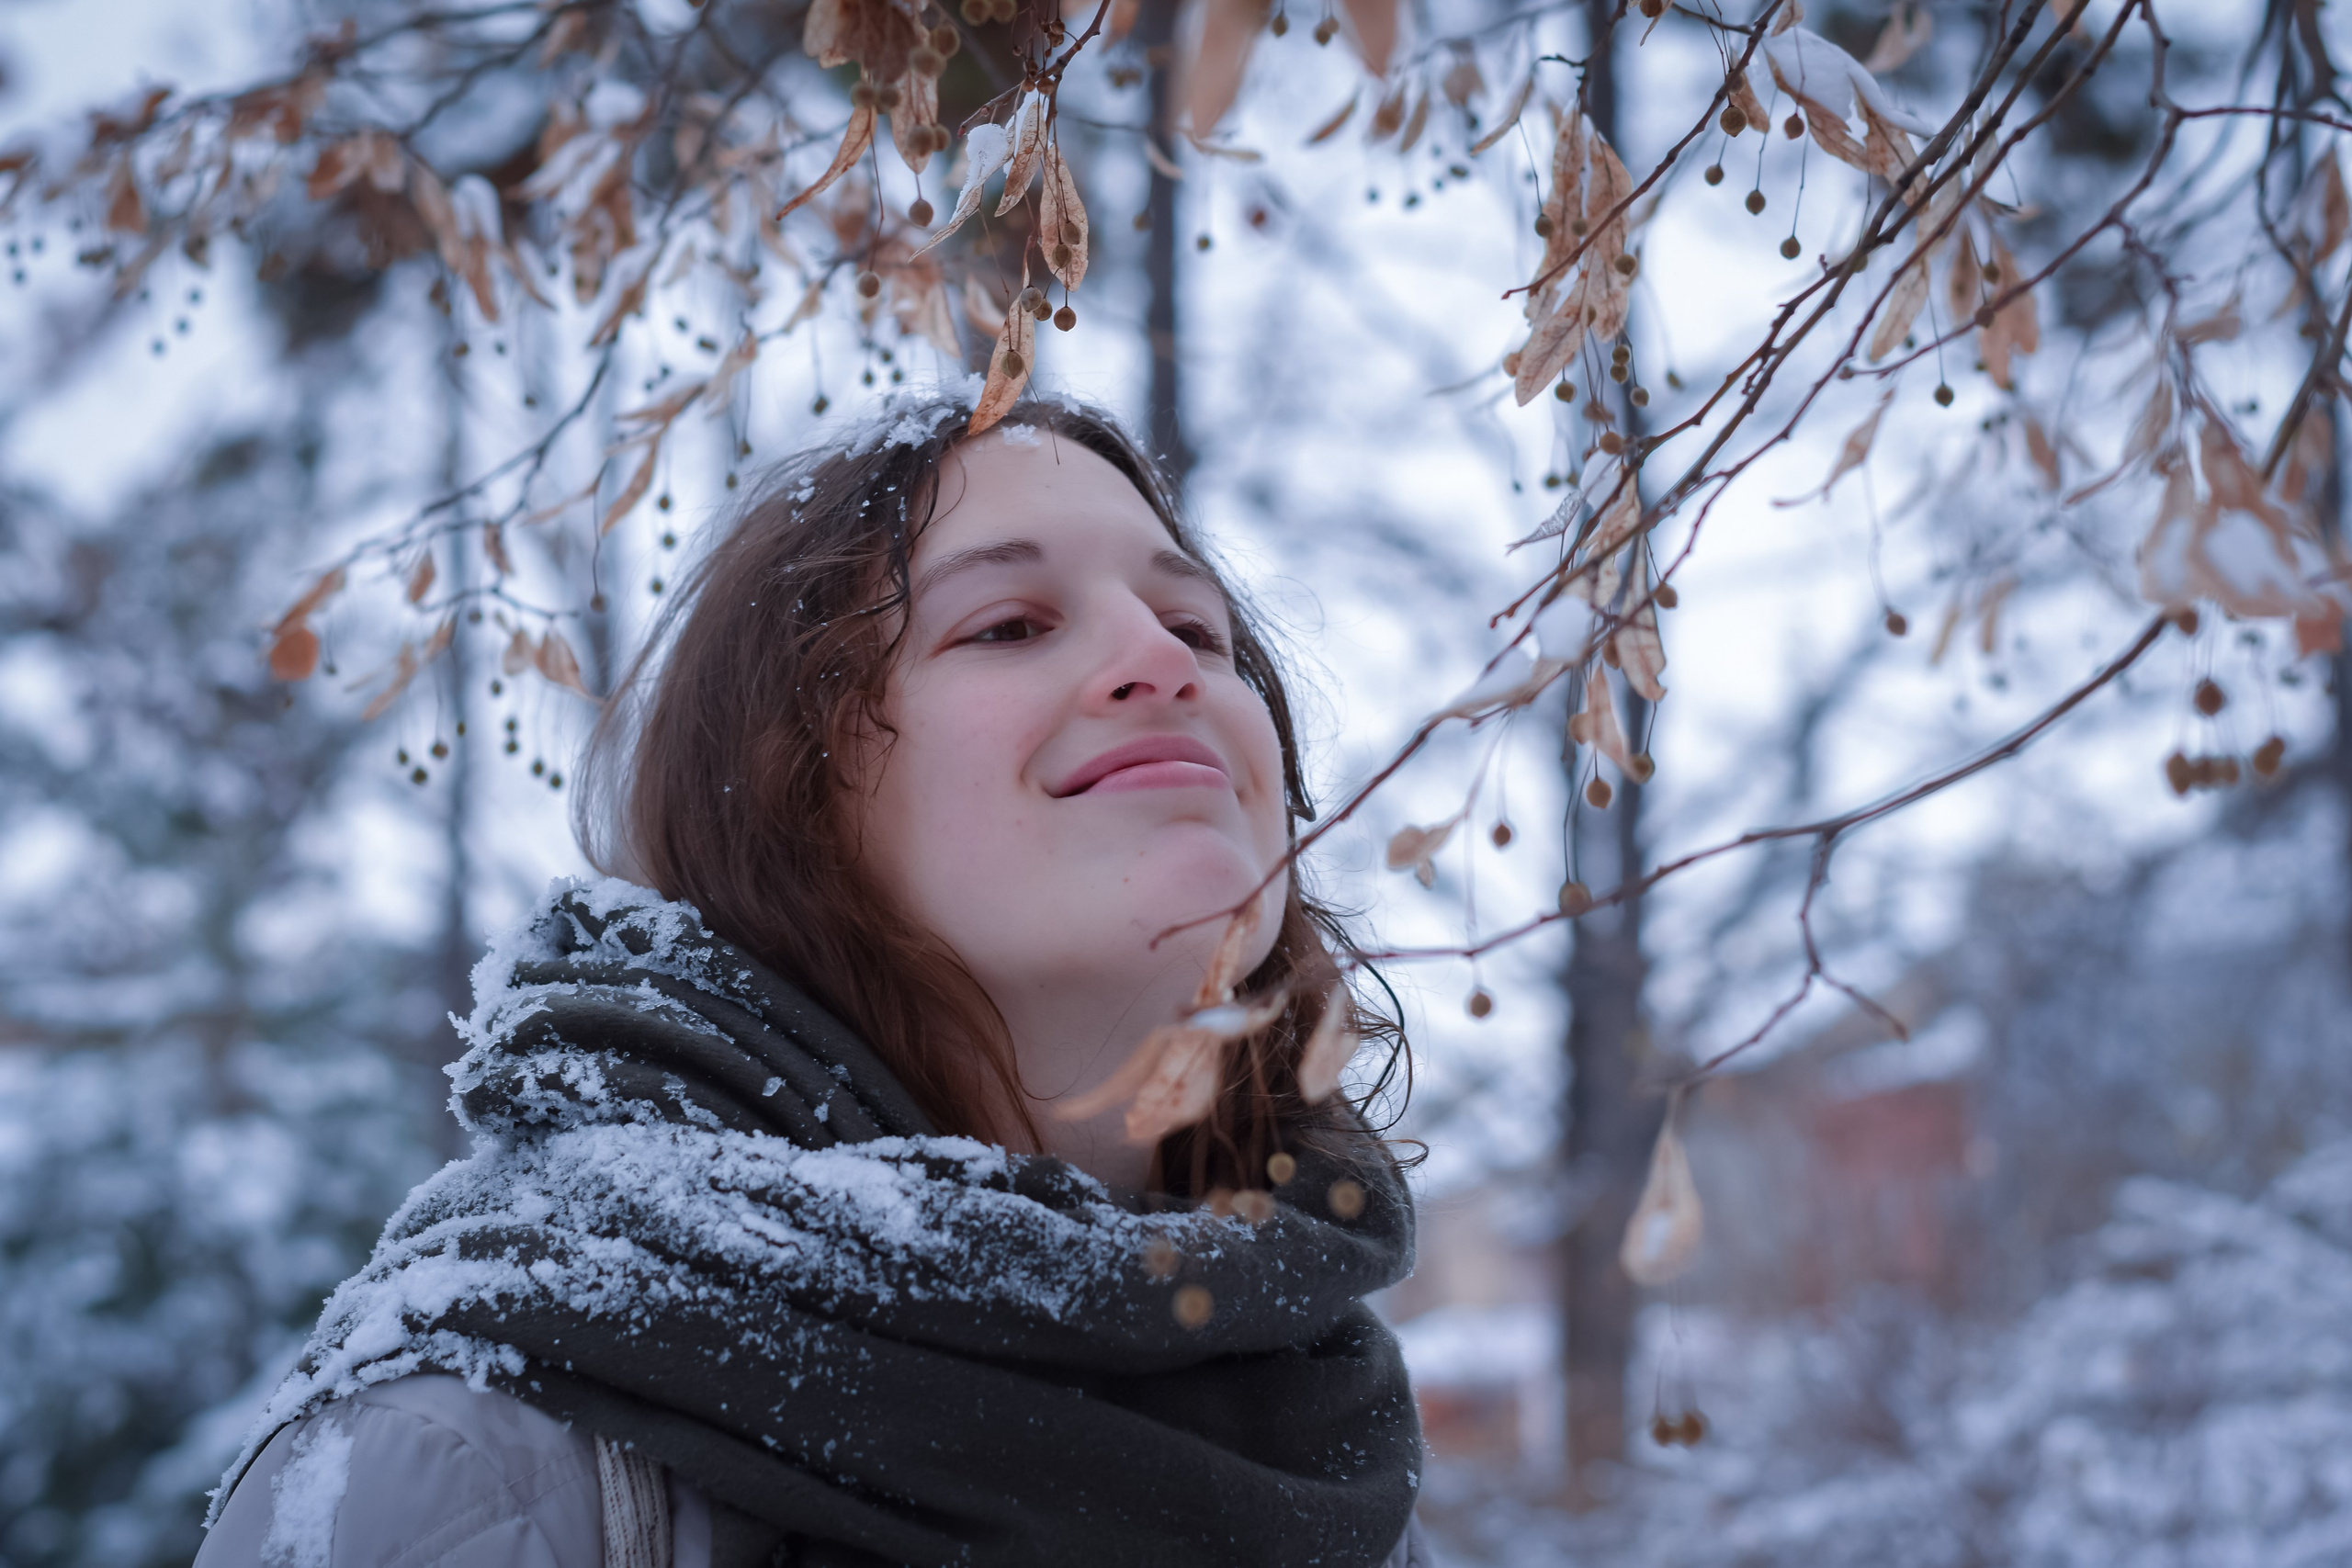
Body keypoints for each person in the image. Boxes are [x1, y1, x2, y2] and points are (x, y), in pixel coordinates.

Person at [197, 394, 1429, 1568]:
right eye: (1007, 624)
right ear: (787, 795)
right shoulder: (472, 1469)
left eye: (1201, 630)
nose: (1162, 664)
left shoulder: (1324, 1451)